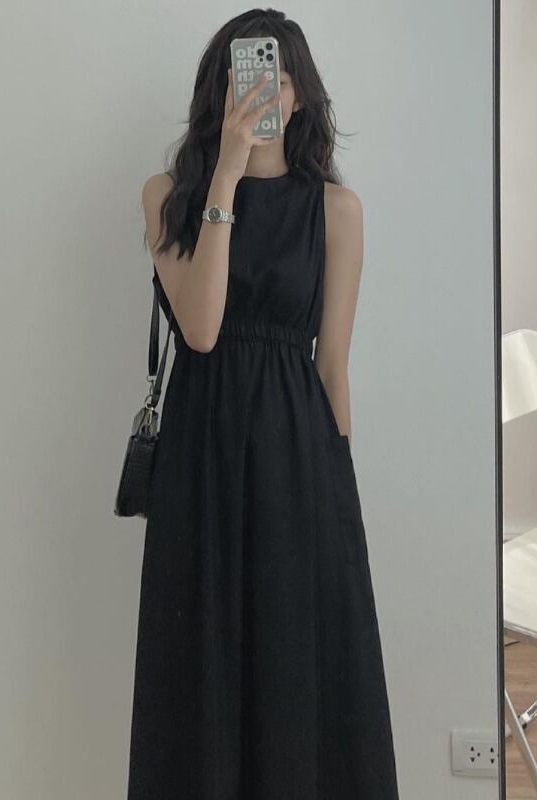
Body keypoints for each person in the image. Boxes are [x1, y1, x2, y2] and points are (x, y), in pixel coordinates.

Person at [129, 9, 399, 798]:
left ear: (301, 94)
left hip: (297, 462)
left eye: (276, 79)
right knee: (198, 666)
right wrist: (226, 174)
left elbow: (333, 366)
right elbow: (202, 328)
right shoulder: (167, 197)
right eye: (243, 78)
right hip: (200, 459)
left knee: (294, 667)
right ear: (218, 92)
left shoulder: (336, 211)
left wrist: (339, 497)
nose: (260, 94)